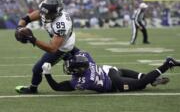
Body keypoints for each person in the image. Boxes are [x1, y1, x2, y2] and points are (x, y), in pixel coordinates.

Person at [15, 0, 80, 94]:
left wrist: (32, 39)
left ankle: (33, 89)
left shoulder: (61, 24)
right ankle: (71, 59)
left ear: (56, 14)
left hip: (63, 47)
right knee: (77, 61)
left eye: (48, 15)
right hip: (61, 40)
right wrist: (19, 27)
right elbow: (26, 18)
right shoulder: (46, 12)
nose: (44, 16)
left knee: (37, 69)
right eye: (43, 13)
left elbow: (53, 49)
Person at [39, 51, 180, 93]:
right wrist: (67, 56)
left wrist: (47, 74)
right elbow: (76, 54)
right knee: (122, 71)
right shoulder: (87, 58)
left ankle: (167, 64)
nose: (69, 69)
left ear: (80, 70)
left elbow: (57, 87)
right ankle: (151, 78)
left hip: (115, 83)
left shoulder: (82, 81)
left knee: (141, 84)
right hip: (110, 70)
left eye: (72, 67)